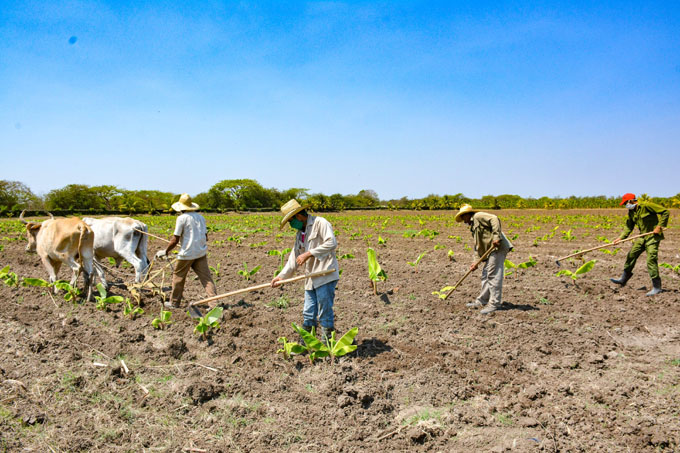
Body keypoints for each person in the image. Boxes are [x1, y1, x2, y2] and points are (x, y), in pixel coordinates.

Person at [271, 199, 340, 340]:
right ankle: (308, 343)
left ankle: (327, 346)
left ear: (298, 216)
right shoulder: (300, 234)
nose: (291, 225)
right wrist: (281, 277)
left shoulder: (320, 223)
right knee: (308, 312)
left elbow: (332, 243)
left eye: (291, 221)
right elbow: (294, 258)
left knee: (324, 312)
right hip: (310, 278)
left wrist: (309, 253)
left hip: (324, 274)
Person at [155, 193, 217, 309]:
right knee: (207, 279)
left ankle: (174, 303)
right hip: (200, 253)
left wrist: (166, 251)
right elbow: (206, 236)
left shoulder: (181, 219)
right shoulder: (201, 218)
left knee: (178, 278)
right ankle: (214, 304)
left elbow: (175, 239)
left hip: (187, 254)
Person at [455, 204, 513, 314]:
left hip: (498, 248)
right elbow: (478, 246)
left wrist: (496, 237)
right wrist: (475, 262)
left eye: (463, 217)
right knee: (485, 274)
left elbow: (494, 219)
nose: (463, 221)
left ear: (467, 214)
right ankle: (482, 301)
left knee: (493, 274)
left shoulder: (478, 216)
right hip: (491, 251)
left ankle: (494, 304)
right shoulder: (473, 227)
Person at [610, 193, 669, 296]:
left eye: (626, 203)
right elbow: (629, 226)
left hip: (652, 237)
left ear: (631, 201)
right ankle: (623, 279)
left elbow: (665, 212)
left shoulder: (646, 206)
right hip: (642, 237)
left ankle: (657, 287)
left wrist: (660, 226)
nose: (625, 206)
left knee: (651, 259)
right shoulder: (631, 212)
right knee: (631, 255)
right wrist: (620, 238)